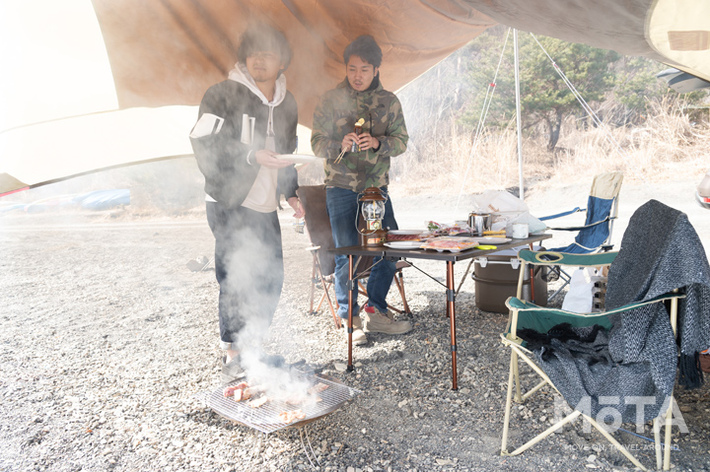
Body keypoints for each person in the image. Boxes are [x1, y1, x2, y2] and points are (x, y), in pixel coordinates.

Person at [189, 24, 303, 383]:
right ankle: (234, 352)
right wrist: (252, 155)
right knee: (237, 275)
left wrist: (292, 192)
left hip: (265, 200)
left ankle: (253, 346)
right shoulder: (221, 93)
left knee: (271, 275)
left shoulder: (289, 102)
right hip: (229, 198)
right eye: (253, 53)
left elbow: (286, 153)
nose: (259, 60)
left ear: (282, 61)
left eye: (268, 53)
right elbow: (203, 143)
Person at [311, 35, 412, 345]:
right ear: (346, 68)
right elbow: (316, 143)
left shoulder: (389, 101)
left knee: (388, 250)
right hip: (340, 188)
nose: (357, 76)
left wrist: (379, 143)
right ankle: (350, 320)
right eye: (352, 69)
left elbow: (402, 142)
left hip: (375, 191)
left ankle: (376, 310)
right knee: (346, 256)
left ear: (376, 69)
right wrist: (336, 144)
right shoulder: (329, 100)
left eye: (364, 69)